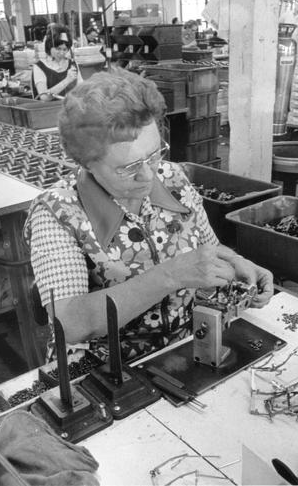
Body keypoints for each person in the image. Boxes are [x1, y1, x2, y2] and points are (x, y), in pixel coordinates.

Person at [23, 67, 274, 363]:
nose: (148, 175)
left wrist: (238, 263)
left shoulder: (173, 178)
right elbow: (70, 324)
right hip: (104, 367)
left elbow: (208, 248)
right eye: (127, 167)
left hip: (181, 350)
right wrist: (169, 275)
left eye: (154, 154)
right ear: (87, 163)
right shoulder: (56, 213)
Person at [31, 25, 82, 101]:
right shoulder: (39, 67)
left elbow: (81, 87)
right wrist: (67, 80)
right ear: (49, 46)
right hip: (48, 111)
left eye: (65, 49)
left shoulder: (72, 64)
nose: (61, 52)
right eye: (58, 49)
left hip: (70, 109)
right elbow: (44, 97)